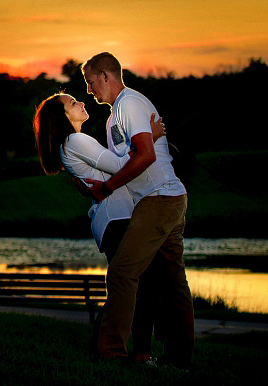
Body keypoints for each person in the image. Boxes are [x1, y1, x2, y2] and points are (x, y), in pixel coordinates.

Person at [80, 52, 195, 368]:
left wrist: (107, 187)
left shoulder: (129, 104)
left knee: (122, 271)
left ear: (106, 75)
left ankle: (111, 353)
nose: (90, 91)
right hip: (163, 200)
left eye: (91, 82)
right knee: (173, 281)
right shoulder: (113, 116)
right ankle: (179, 359)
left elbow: (144, 156)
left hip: (160, 200)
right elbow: (131, 156)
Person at [33, 92, 166, 362]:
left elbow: (104, 174)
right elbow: (119, 166)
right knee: (133, 286)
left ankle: (133, 352)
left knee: (133, 286)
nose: (81, 103)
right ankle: (125, 352)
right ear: (63, 116)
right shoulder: (75, 140)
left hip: (115, 217)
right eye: (73, 103)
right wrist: (149, 136)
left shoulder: (71, 143)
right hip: (117, 218)